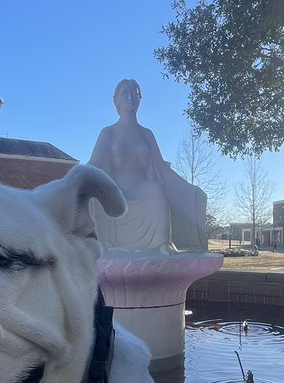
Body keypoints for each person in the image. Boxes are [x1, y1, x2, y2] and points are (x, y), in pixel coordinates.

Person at [88, 79, 208, 253]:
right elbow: (95, 164)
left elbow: (160, 168)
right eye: (125, 94)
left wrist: (191, 191)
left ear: (139, 99)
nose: (130, 97)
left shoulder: (147, 134)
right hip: (116, 191)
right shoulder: (108, 132)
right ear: (117, 100)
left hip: (144, 190)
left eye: (134, 94)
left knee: (157, 190)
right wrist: (79, 179)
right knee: (96, 192)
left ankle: (162, 243)